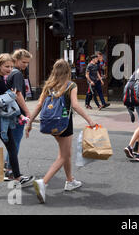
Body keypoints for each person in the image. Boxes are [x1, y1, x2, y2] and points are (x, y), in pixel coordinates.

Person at [27, 59, 97, 204]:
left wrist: (29, 123)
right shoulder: (71, 85)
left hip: (51, 124)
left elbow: (40, 105)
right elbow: (76, 105)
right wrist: (90, 120)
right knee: (64, 156)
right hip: (65, 124)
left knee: (65, 153)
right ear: (68, 71)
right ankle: (43, 182)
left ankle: (70, 180)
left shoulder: (49, 85)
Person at [0, 53, 35, 190]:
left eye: (11, 66)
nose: (9, 69)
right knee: (7, 147)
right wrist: (8, 96)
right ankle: (16, 177)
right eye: (7, 66)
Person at [5, 49, 32, 179]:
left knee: (12, 141)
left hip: (11, 112)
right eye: (23, 62)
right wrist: (27, 111)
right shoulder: (17, 74)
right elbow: (17, 93)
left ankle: (7, 167)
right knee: (15, 141)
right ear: (15, 60)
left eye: (27, 63)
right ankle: (10, 170)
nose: (25, 65)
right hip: (17, 113)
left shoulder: (11, 72)